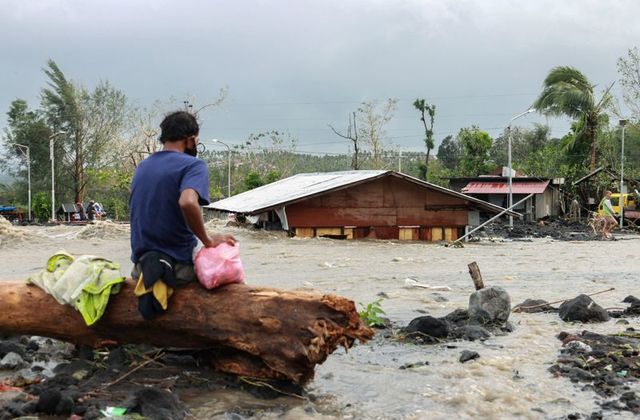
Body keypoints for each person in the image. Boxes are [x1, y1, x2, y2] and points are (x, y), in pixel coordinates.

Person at [129, 111, 236, 285]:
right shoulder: (193, 165)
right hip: (177, 268)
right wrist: (208, 240)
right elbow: (187, 202)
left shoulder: (142, 166)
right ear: (190, 139)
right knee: (227, 272)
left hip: (141, 268)